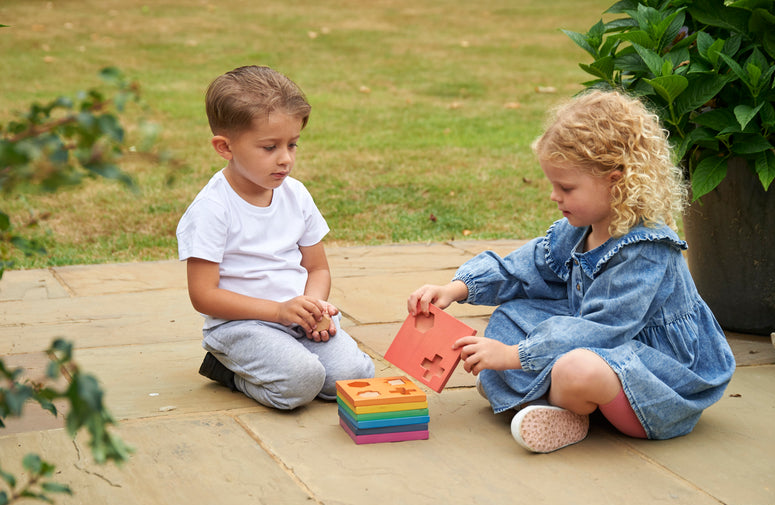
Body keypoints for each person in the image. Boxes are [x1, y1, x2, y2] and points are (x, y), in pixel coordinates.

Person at [407, 90, 736, 453]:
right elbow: (525, 268)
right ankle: (555, 403)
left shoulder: (648, 249)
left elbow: (601, 328)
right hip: (599, 344)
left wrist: (512, 357)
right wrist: (456, 288)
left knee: (575, 368)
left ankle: (558, 405)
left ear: (616, 181)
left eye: (565, 187)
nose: (554, 196)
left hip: (657, 375)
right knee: (512, 315)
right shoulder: (582, 225)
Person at [177, 65, 374, 410]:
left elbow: (317, 269)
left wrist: (316, 307)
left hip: (297, 319)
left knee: (354, 376)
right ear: (225, 147)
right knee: (300, 384)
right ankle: (226, 370)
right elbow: (203, 295)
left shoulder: (295, 195)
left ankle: (294, 357)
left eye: (292, 144)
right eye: (269, 147)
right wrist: (278, 311)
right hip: (244, 325)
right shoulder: (212, 208)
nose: (285, 159)